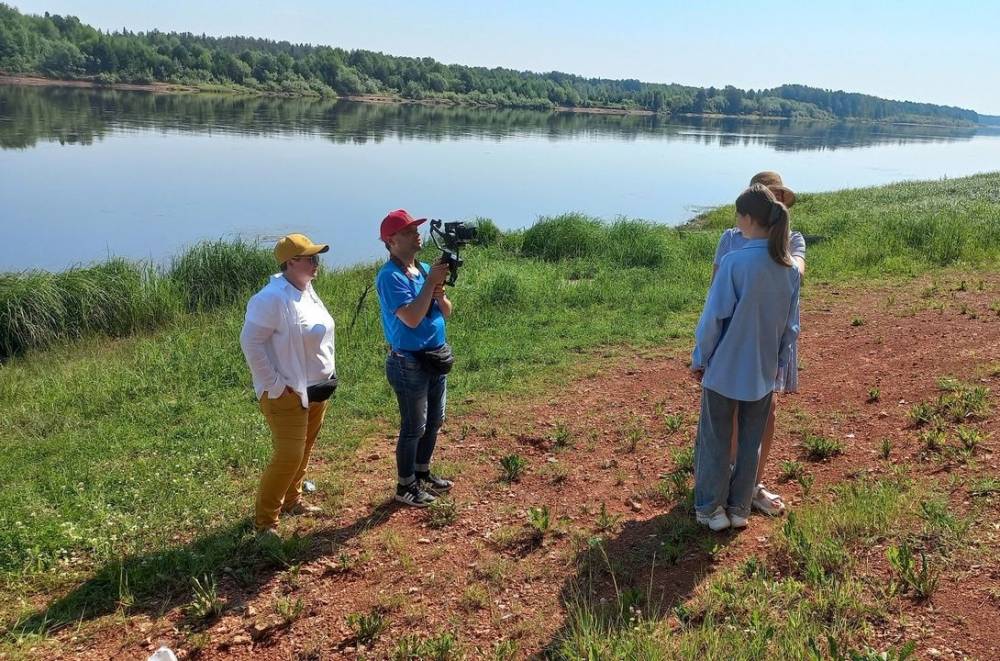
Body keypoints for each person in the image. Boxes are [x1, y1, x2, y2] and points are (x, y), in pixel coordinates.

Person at [691, 184, 801, 531]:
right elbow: (790, 327)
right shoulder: (788, 268)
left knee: (715, 439)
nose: (735, 221)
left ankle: (711, 509)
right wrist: (778, 364)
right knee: (751, 441)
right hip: (763, 371)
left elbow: (713, 318)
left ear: (749, 219)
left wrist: (700, 358)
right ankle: (739, 509)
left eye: (738, 215)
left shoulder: (734, 261)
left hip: (724, 368)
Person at [239, 233, 337, 537]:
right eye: (311, 258)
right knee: (288, 456)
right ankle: (265, 524)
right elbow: (250, 343)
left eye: (317, 257)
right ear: (290, 262)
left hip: (316, 391)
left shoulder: (306, 289)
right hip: (287, 396)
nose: (316, 262)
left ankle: (293, 500)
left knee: (304, 450)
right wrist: (277, 386)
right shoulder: (270, 298)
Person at [376, 209, 455, 507]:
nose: (417, 234)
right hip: (407, 361)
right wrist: (428, 286)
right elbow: (410, 318)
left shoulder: (422, 268)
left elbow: (446, 312)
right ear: (391, 241)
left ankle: (422, 472)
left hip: (435, 356)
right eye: (408, 231)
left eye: (416, 229)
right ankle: (405, 485)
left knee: (435, 420)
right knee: (414, 426)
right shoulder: (389, 276)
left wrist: (439, 293)